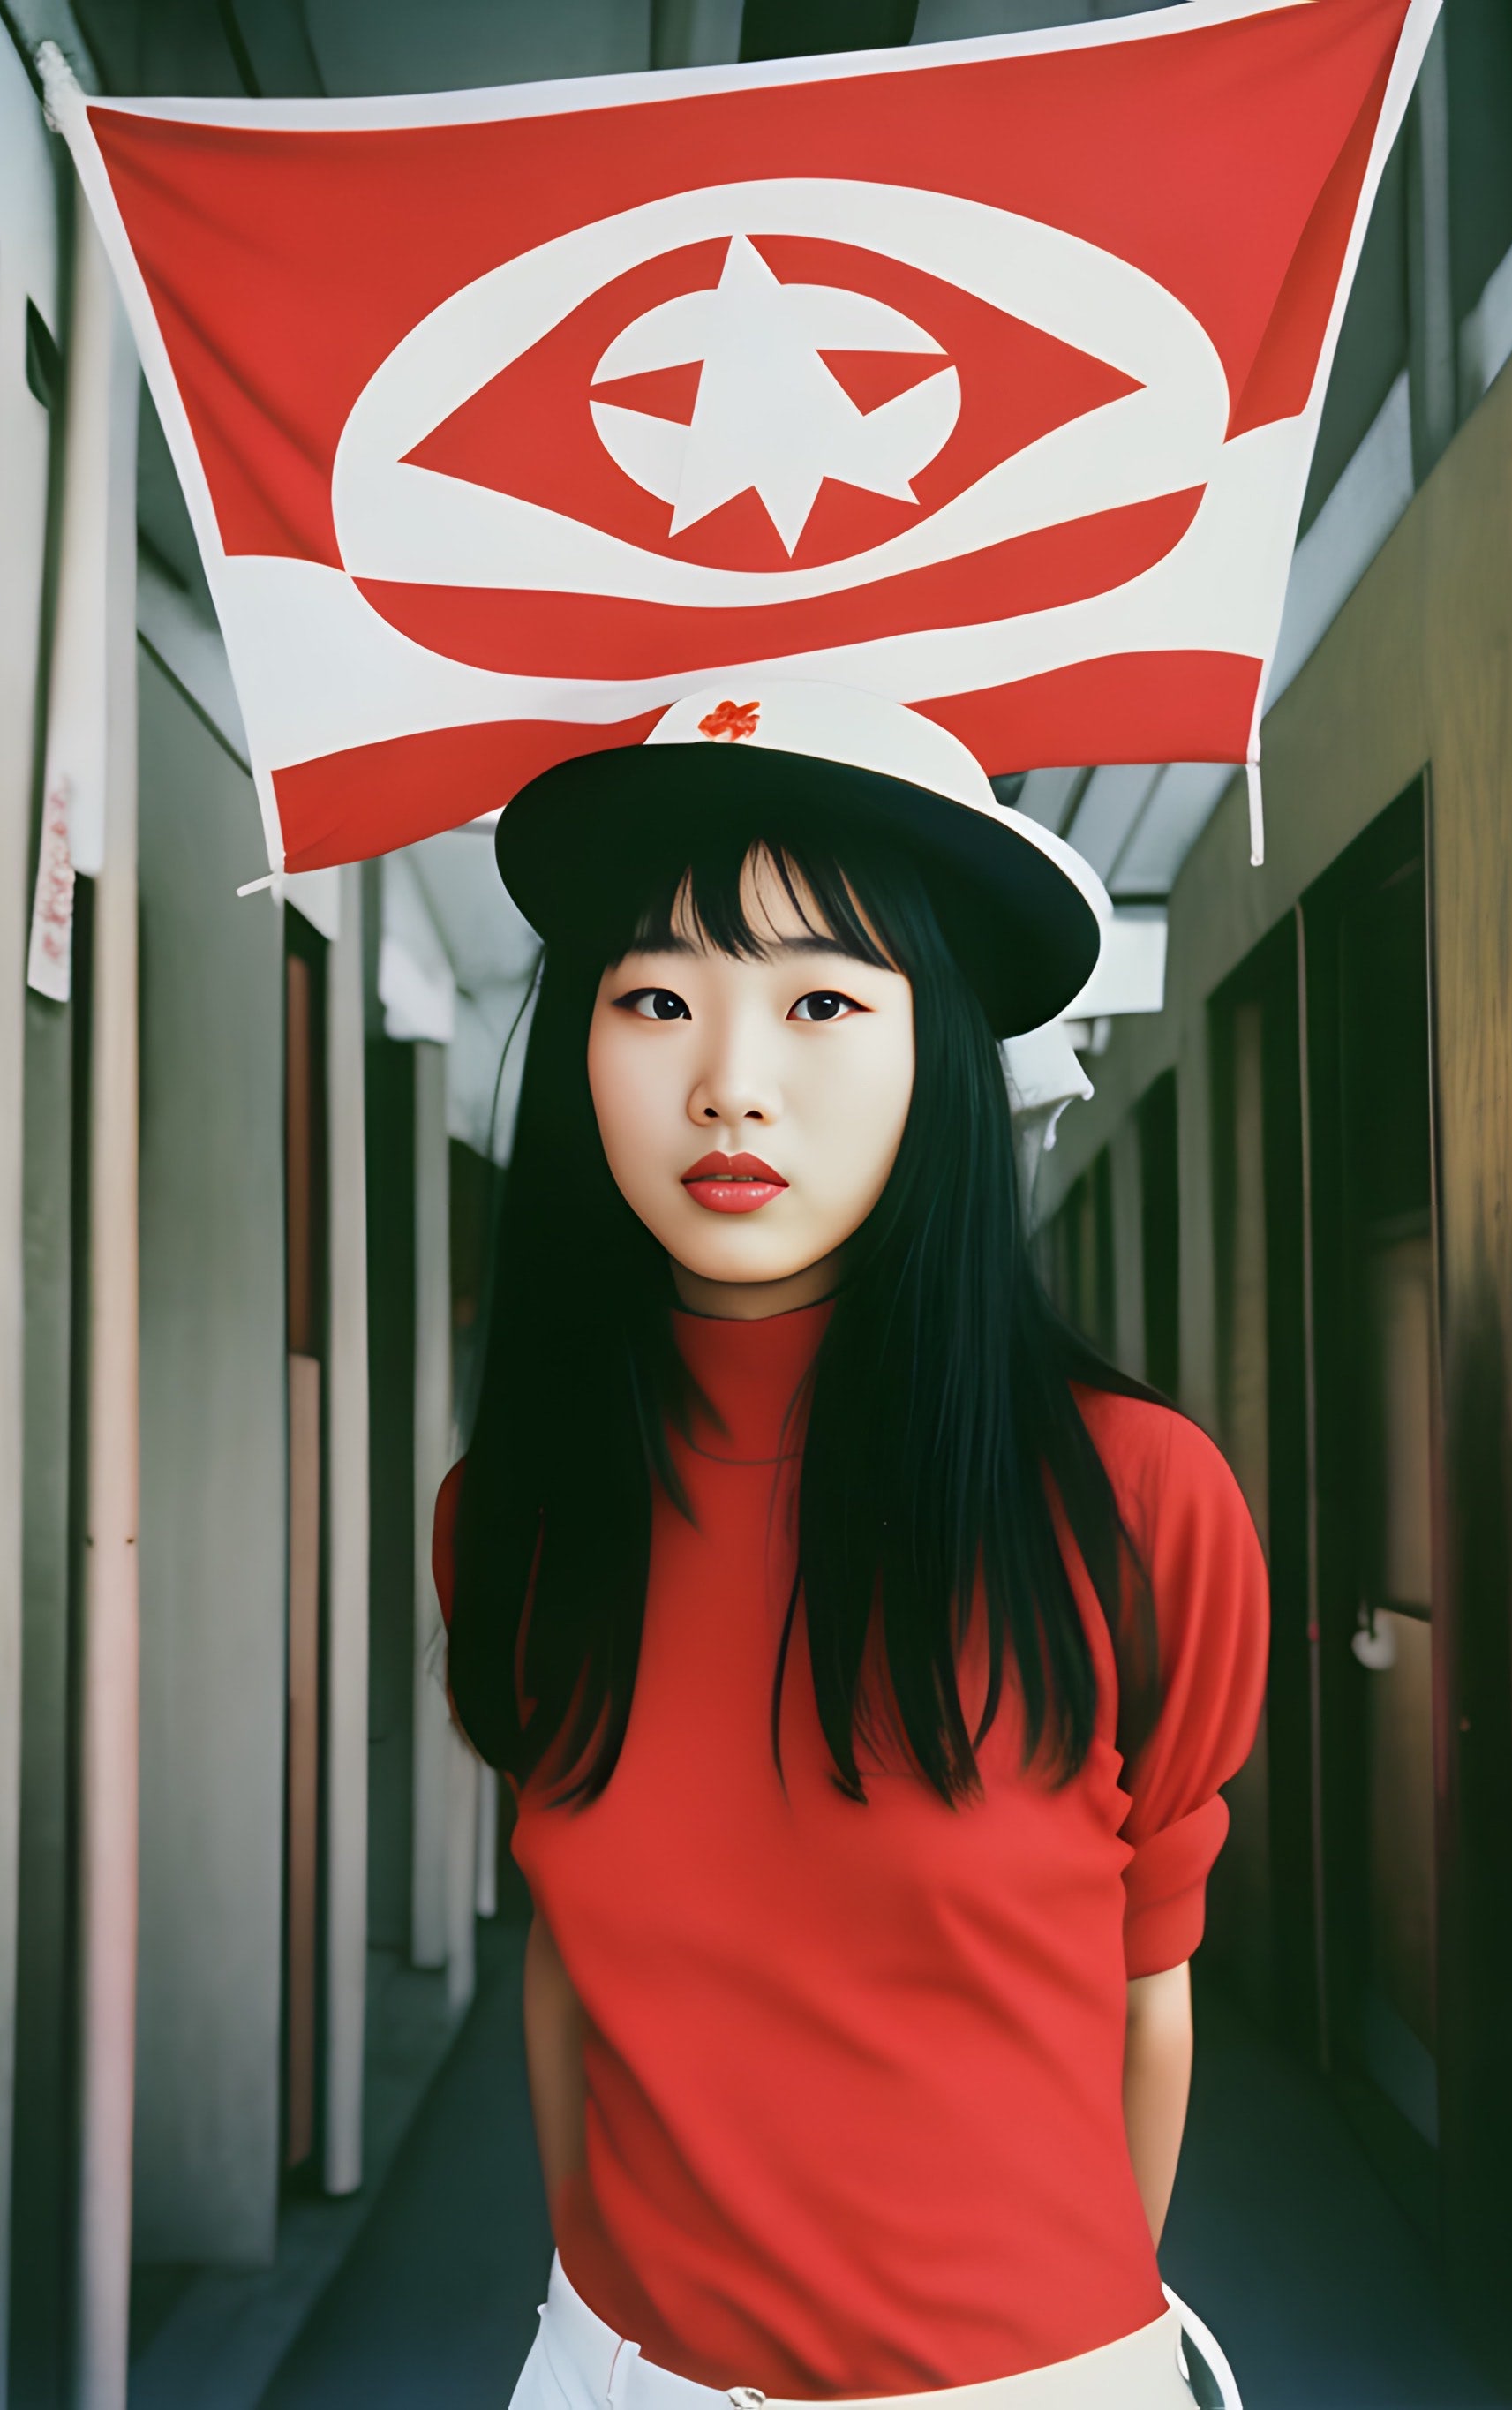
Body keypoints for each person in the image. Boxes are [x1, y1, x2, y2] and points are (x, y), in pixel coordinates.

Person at [435, 682, 1268, 2408]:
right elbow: (571, 1970)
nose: (730, 1084)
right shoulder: (511, 1510)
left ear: (936, 1051)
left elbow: (1146, 1993)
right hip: (616, 2369)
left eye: (821, 997)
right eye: (655, 995)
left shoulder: (1136, 1502)